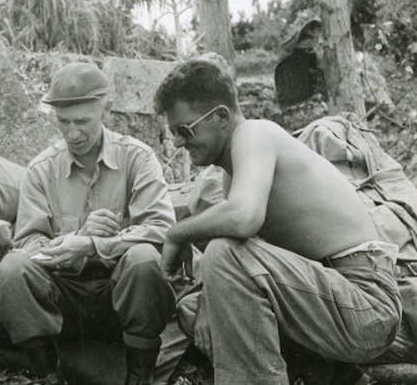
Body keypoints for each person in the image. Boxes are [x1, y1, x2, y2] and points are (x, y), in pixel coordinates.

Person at [153, 59, 401, 385]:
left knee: (224, 253)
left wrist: (177, 234)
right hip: (330, 300)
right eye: (173, 134)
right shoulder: (235, 174)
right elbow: (260, 265)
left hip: (367, 303)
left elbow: (243, 219)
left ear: (222, 117)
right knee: (203, 292)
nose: (181, 143)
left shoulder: (255, 135)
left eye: (185, 130)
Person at [0, 62, 176, 385]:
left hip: (123, 294)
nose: (73, 133)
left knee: (145, 259)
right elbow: (27, 244)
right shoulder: (42, 169)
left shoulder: (138, 158)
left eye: (82, 121)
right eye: (63, 122)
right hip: (64, 299)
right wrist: (74, 239)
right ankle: (47, 373)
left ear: (105, 110)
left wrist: (94, 245)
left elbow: (161, 228)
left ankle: (139, 375)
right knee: (11, 269)